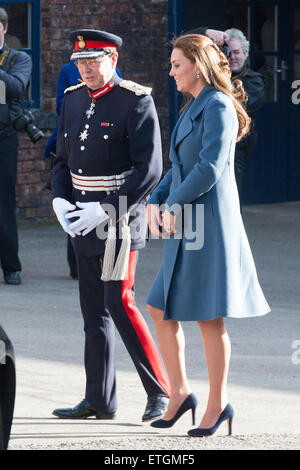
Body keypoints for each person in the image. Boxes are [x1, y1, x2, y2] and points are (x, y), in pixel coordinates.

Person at [146, 33, 270, 437]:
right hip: (187, 222)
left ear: (197, 67)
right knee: (160, 307)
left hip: (209, 224)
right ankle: (180, 393)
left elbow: (210, 168)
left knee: (208, 319)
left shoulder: (217, 105)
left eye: (176, 64)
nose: (171, 71)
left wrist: (170, 205)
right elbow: (179, 167)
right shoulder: (193, 105)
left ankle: (218, 404)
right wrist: (157, 198)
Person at [51, 29, 170, 421]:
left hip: (118, 220)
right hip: (81, 219)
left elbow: (150, 170)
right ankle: (99, 399)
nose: (85, 68)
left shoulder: (135, 101)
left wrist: (104, 209)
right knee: (92, 313)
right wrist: (58, 200)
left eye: (93, 61)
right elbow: (61, 161)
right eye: (80, 62)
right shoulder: (72, 100)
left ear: (113, 60)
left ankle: (160, 391)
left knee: (119, 302)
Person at [196, 27, 265, 200]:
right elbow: (185, 43)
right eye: (228, 53)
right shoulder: (214, 78)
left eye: (236, 52)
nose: (232, 57)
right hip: (206, 142)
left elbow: (231, 106)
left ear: (245, 53)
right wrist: (205, 32)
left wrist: (218, 76)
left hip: (235, 147)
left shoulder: (254, 81)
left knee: (229, 196)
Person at [0, 8, 32, 285]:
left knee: (4, 205)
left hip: (4, 138)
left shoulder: (17, 59)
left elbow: (17, 88)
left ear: (3, 29)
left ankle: (11, 266)